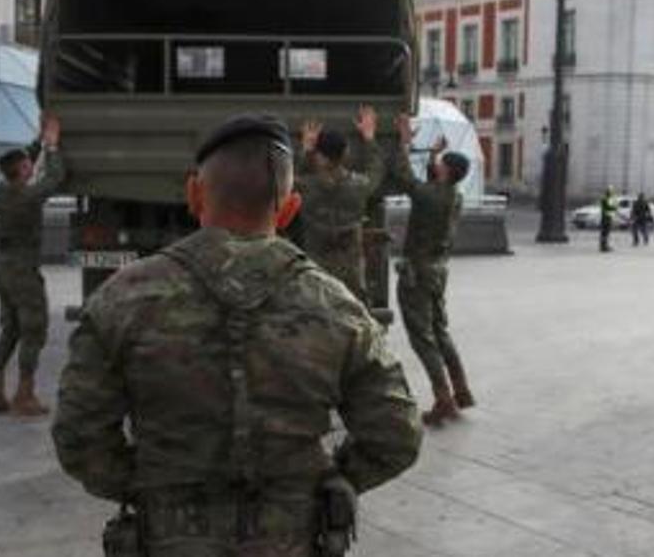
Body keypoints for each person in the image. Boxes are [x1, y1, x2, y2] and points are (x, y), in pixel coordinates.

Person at [52, 114, 422, 557]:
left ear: (193, 194)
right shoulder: (339, 308)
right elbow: (397, 434)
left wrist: (148, 486)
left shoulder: (122, 300)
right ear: (289, 209)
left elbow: (78, 436)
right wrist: (333, 481)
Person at [388, 115, 474, 426]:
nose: (436, 167)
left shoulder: (429, 195)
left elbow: (403, 177)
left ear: (446, 171)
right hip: (438, 271)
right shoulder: (454, 196)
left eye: (440, 164)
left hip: (419, 273)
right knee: (440, 332)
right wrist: (435, 156)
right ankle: (461, 390)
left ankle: (443, 399)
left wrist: (404, 140)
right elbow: (430, 185)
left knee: (422, 338)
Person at [0, 113, 65, 418]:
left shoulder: (3, 191)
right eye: (29, 165)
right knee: (33, 330)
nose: (32, 165)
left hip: (4, 269)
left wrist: (39, 141)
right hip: (24, 272)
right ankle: (24, 395)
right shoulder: (28, 196)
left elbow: (22, 161)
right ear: (24, 172)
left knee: (11, 328)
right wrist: (53, 146)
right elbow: (55, 178)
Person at [294, 106, 384, 304]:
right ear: (345, 153)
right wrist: (369, 138)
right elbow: (376, 170)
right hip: (350, 275)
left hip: (316, 272)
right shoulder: (360, 185)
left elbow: (288, 181)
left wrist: (306, 151)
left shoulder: (306, 186)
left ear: (318, 155)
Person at [599, 186, 618, 252]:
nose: (612, 193)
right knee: (605, 233)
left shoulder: (605, 198)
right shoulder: (607, 199)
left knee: (604, 233)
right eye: (611, 192)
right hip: (606, 218)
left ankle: (604, 245)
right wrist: (615, 207)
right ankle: (604, 246)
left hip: (606, 218)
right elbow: (610, 208)